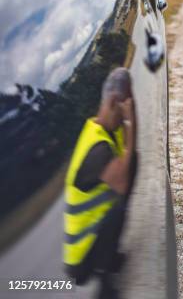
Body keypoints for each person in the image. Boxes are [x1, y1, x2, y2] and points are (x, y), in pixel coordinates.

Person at [64, 67, 137, 298]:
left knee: (132, 162)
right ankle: (104, 286)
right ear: (116, 101)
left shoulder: (103, 127)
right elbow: (123, 183)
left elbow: (131, 155)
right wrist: (132, 120)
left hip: (93, 233)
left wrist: (129, 120)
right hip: (79, 260)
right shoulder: (97, 150)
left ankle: (109, 256)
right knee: (118, 209)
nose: (129, 107)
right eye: (127, 101)